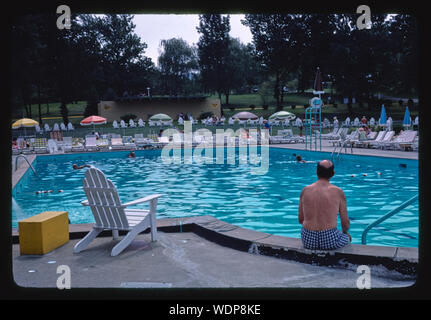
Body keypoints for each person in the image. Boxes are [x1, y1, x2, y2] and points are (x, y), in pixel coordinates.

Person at [298, 160, 351, 250]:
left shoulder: (305, 190)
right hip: (330, 239)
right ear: (333, 173)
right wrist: (345, 233)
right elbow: (345, 223)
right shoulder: (338, 192)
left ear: (316, 172)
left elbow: (300, 220)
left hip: (308, 239)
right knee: (348, 238)